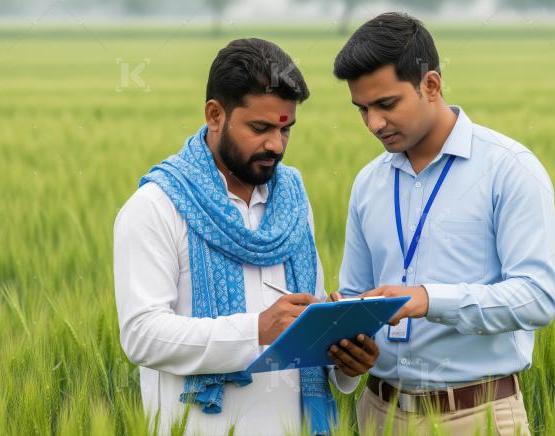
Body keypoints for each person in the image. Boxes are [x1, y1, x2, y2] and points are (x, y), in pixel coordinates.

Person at [114, 38, 378, 435]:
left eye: (286, 129)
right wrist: (256, 329)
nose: (276, 144)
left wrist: (345, 360)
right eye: (260, 128)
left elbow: (308, 322)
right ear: (215, 115)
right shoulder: (155, 206)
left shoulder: (294, 201)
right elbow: (142, 336)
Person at [333, 12, 555, 435]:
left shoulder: (509, 169)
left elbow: (537, 297)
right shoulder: (368, 182)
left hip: (478, 416)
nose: (374, 123)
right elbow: (353, 295)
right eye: (362, 109)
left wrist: (427, 299)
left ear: (431, 86)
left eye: (386, 104)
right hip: (378, 413)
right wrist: (346, 350)